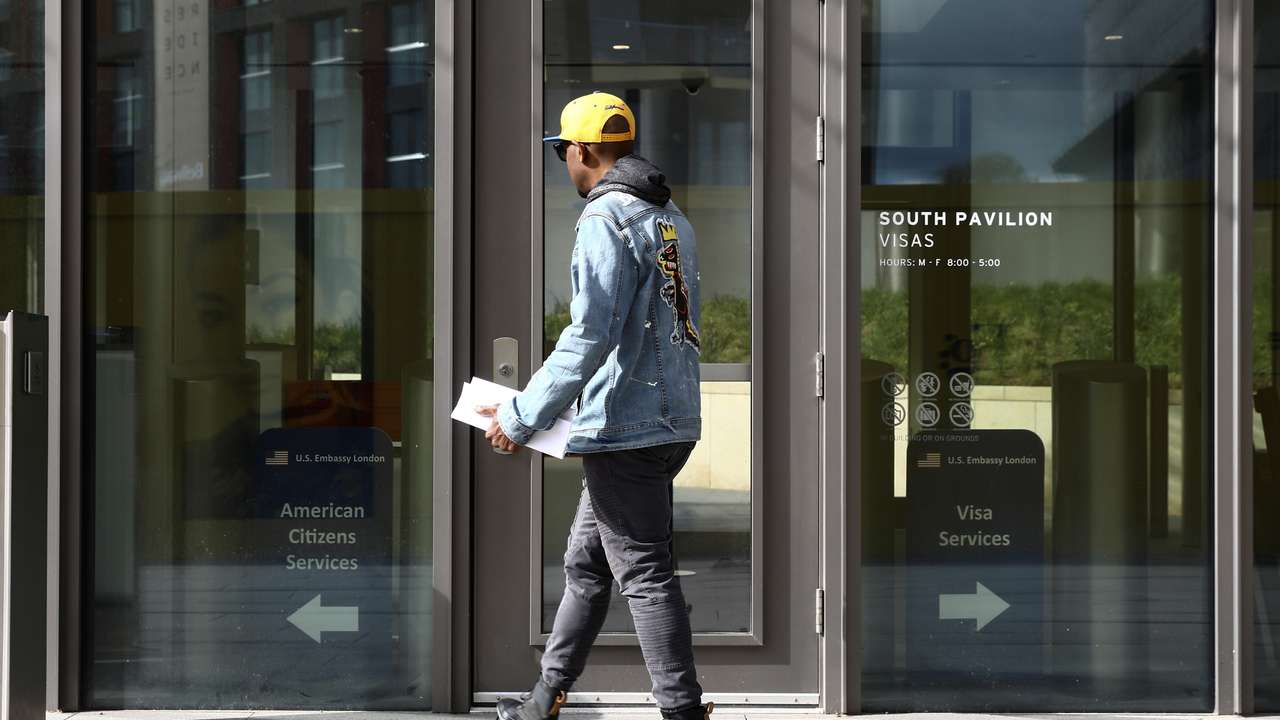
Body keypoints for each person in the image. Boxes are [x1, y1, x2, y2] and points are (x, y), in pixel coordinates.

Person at [474, 91, 710, 720]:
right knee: (587, 563)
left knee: (645, 573)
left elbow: (590, 334)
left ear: (581, 150)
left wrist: (521, 417)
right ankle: (545, 698)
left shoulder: (606, 217)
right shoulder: (670, 216)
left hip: (627, 427)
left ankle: (683, 711)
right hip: (669, 421)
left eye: (563, 153)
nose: (565, 165)